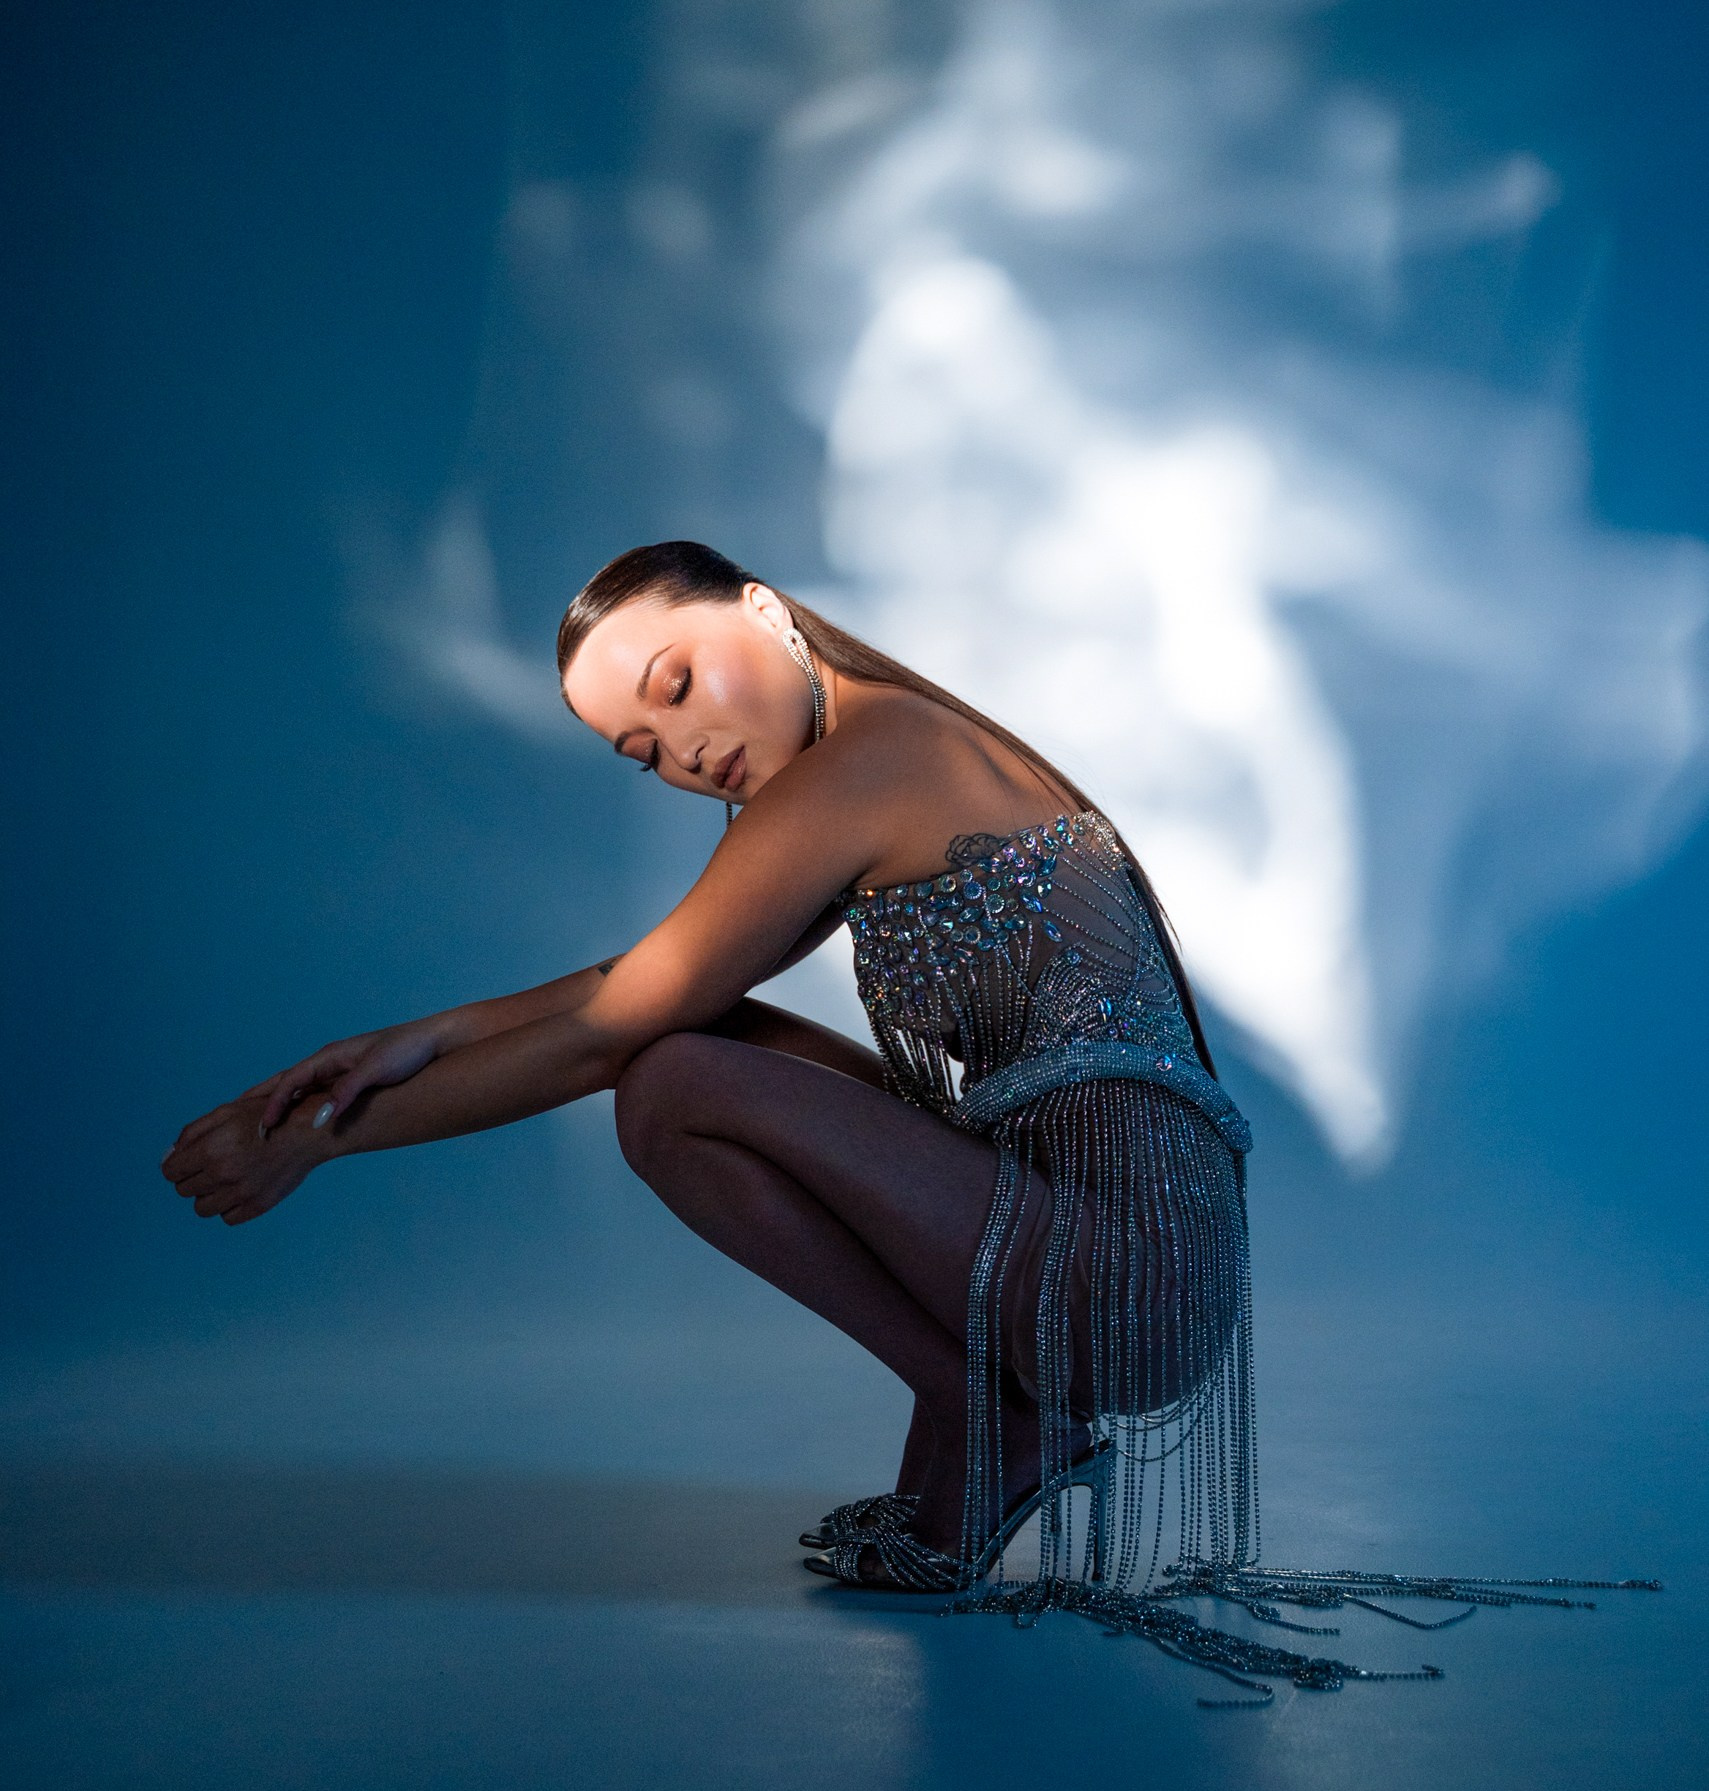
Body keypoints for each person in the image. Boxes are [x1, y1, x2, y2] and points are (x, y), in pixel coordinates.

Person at [163, 541, 1640, 1700]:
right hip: (1077, 1234)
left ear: (763, 610)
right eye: (640, 749)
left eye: (676, 682)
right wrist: (412, 1039)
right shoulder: (860, 764)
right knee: (692, 1044)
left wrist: (316, 1143)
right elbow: (640, 982)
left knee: (669, 1080)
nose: (680, 747)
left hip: (1125, 1269)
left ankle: (998, 1416)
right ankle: (998, 1415)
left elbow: (620, 1027)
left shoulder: (871, 758)